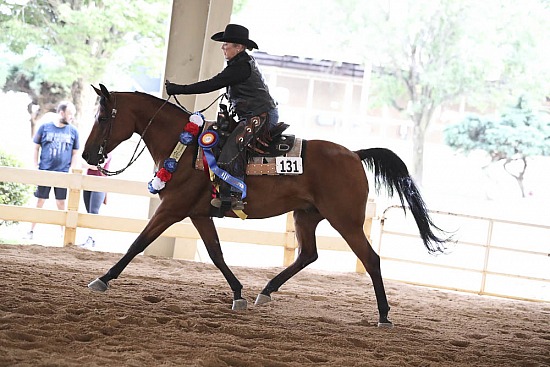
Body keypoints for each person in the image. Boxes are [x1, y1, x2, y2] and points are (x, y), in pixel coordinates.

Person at [165, 23, 279, 210]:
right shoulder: (239, 64)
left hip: (261, 115)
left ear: (239, 47)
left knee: (232, 147)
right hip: (252, 113)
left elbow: (212, 84)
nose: (222, 47)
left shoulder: (240, 67)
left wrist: (179, 89)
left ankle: (233, 196)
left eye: (227, 44)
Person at [26, 101, 80, 239]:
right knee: (40, 201)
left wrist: (72, 170)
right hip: (45, 171)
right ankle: (30, 231)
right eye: (70, 114)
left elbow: (75, 153)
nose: (72, 117)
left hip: (63, 174)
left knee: (61, 203)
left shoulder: (73, 131)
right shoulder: (45, 127)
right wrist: (35, 164)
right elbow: (35, 147)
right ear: (61, 113)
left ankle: (63, 234)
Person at [79, 152, 112, 248]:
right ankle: (90, 238)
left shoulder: (108, 153)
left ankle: (92, 238)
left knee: (93, 211)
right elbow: (82, 163)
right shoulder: (93, 151)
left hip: (99, 182)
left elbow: (99, 166)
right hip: (88, 181)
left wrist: (87, 165)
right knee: (88, 211)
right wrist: (89, 166)